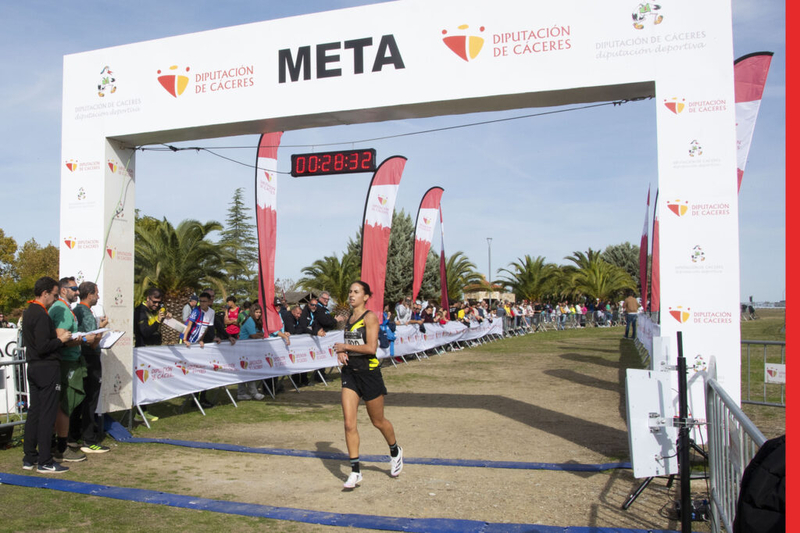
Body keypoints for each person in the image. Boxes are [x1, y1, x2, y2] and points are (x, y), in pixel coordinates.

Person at [333, 281, 403, 489]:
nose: (351, 295)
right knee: (348, 423)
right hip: (350, 374)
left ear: (365, 296)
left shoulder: (370, 317)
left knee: (378, 421)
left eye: (356, 292)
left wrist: (345, 346)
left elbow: (371, 348)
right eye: (350, 291)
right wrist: (342, 352)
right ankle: (355, 471)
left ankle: (395, 450)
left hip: (369, 373)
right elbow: (351, 345)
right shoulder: (349, 318)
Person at [22, 276, 73, 473]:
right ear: (45, 294)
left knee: (35, 411)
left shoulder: (29, 312)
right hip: (46, 367)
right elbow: (43, 346)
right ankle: (45, 460)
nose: (55, 298)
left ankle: (30, 457)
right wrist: (61, 339)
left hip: (34, 366)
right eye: (53, 294)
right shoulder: (41, 315)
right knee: (47, 413)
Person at [49, 277, 98, 464]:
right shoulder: (61, 309)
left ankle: (61, 443)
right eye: (74, 289)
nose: (78, 292)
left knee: (68, 404)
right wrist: (84, 340)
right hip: (66, 363)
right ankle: (61, 447)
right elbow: (61, 339)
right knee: (65, 405)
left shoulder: (64, 309)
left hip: (70, 361)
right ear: (63, 291)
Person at [70, 281, 110, 453]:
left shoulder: (76, 310)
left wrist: (98, 328)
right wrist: (102, 330)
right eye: (96, 293)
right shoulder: (84, 312)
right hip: (90, 360)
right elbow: (92, 342)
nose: (98, 296)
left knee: (80, 400)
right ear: (89, 294)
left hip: (80, 359)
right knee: (90, 400)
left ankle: (73, 436)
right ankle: (89, 440)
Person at [133, 287, 169, 422]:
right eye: (154, 302)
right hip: (142, 351)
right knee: (143, 383)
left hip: (151, 350)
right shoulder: (140, 311)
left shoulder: (152, 310)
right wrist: (158, 320)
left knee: (149, 382)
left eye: (159, 302)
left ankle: (143, 411)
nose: (156, 305)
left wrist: (165, 317)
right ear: (147, 298)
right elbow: (145, 332)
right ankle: (140, 413)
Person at [236, 303, 267, 401]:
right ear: (252, 312)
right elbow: (253, 335)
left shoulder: (256, 321)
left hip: (250, 349)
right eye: (256, 312)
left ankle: (242, 393)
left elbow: (259, 333)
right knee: (248, 370)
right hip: (244, 348)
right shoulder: (250, 320)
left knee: (247, 370)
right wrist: (261, 335)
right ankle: (252, 393)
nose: (258, 314)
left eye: (259, 312)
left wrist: (260, 334)